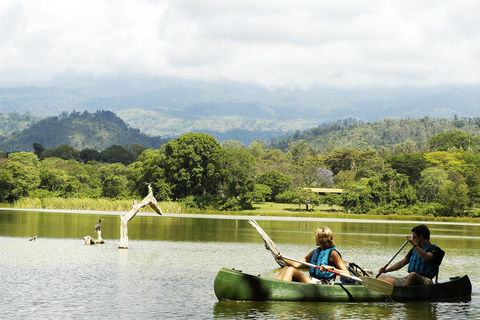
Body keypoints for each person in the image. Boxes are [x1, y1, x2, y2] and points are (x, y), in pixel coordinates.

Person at [275, 226, 350, 284]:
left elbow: (347, 275)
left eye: (316, 237)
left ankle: (282, 289)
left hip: (322, 284)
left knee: (291, 270)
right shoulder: (315, 251)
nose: (315, 238)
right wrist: (282, 258)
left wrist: (331, 268)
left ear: (322, 239)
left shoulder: (333, 253)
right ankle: (274, 286)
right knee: (286, 268)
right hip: (312, 280)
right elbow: (296, 264)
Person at [377, 224, 444, 286]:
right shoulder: (415, 249)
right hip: (409, 279)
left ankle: (401, 293)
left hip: (426, 281)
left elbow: (426, 257)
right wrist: (386, 270)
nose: (413, 239)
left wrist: (414, 245)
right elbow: (401, 263)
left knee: (413, 275)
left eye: (414, 237)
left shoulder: (434, 250)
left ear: (421, 237)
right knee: (382, 279)